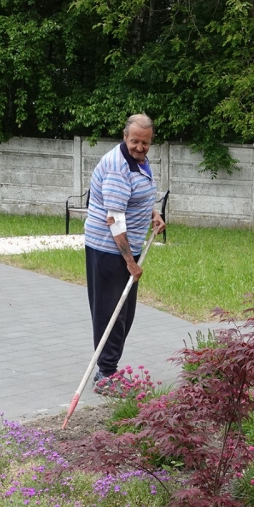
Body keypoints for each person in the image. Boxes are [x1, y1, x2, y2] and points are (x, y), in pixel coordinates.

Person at [84, 113, 165, 387]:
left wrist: (152, 212)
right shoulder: (119, 168)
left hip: (124, 246)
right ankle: (106, 375)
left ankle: (109, 369)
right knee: (112, 312)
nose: (140, 148)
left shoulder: (137, 161)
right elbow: (114, 220)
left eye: (145, 143)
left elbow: (135, 196)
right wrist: (131, 261)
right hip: (109, 249)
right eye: (135, 142)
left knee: (124, 313)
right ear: (124, 136)